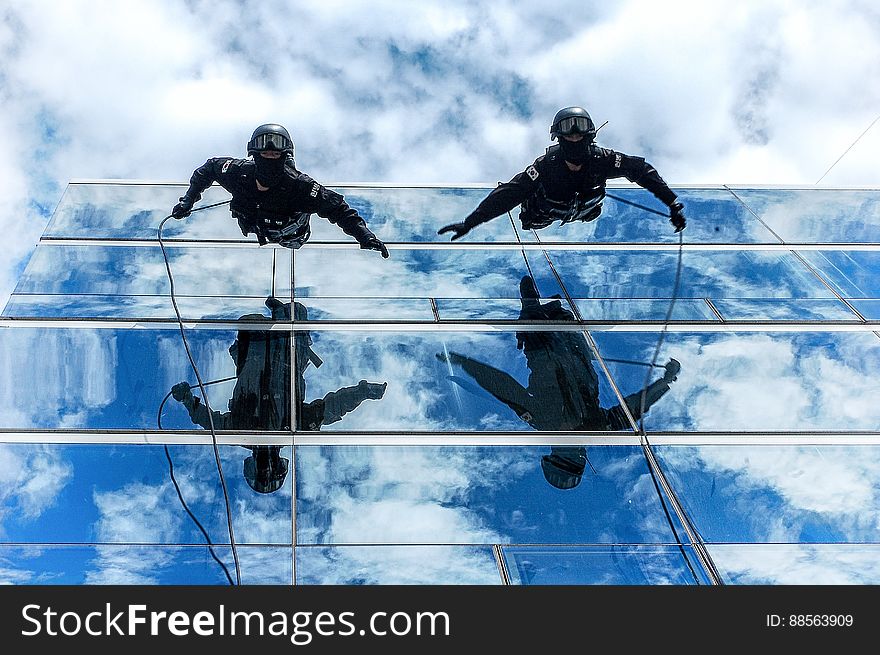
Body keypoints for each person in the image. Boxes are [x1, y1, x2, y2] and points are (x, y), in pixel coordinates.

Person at [437, 275, 680, 489]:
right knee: (552, 310)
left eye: (567, 458)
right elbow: (634, 408)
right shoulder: (593, 428)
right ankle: (542, 305)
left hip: (545, 344)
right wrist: (664, 382)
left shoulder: (546, 422)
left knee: (535, 304)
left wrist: (465, 363)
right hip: (569, 346)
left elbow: (503, 387)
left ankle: (535, 304)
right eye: (573, 459)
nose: (575, 453)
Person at [170, 296, 387, 492]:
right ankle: (280, 312)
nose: (266, 464)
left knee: (253, 318)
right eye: (270, 469)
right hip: (286, 349)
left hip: (256, 346)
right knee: (295, 310)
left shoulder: (240, 431)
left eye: (262, 470)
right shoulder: (293, 429)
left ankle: (278, 312)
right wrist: (362, 392)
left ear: (254, 465)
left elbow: (206, 420)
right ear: (278, 464)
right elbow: (332, 408)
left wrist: (187, 398)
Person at [438, 106, 686, 239]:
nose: (575, 136)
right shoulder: (546, 166)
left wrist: (672, 203)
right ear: (559, 137)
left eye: (580, 132)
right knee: (528, 203)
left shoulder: (603, 160)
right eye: (569, 131)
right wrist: (470, 223)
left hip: (585, 210)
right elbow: (508, 194)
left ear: (590, 136)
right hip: (543, 215)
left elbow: (642, 170)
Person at [171, 123, 389, 256]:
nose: (270, 157)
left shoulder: (300, 186)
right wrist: (188, 200)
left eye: (276, 154)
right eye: (265, 153)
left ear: (285, 157)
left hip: (293, 237)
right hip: (253, 226)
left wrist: (365, 236)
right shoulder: (238, 173)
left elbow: (338, 209)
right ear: (254, 154)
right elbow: (207, 169)